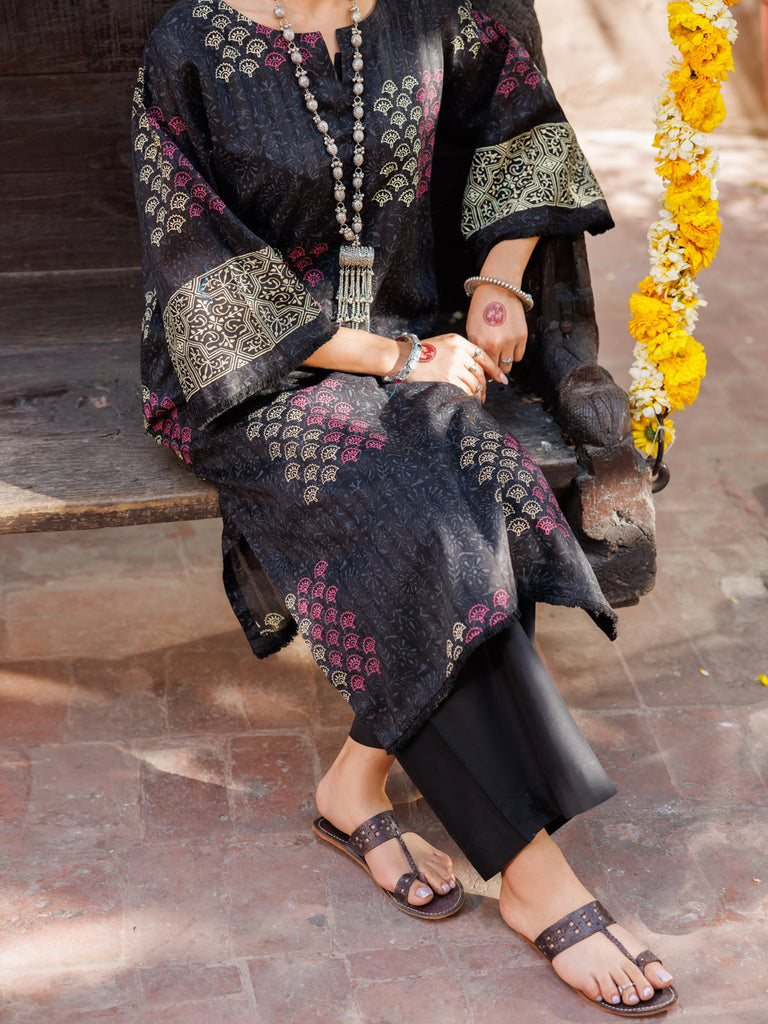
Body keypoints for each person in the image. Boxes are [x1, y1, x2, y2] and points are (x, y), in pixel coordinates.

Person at [132, 0, 677, 1014]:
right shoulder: (189, 48)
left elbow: (522, 121)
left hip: (413, 342)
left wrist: (500, 284)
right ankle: (536, 874)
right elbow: (202, 286)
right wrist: (399, 356)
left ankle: (354, 784)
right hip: (253, 378)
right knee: (420, 515)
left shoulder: (428, 14)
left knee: (475, 475)